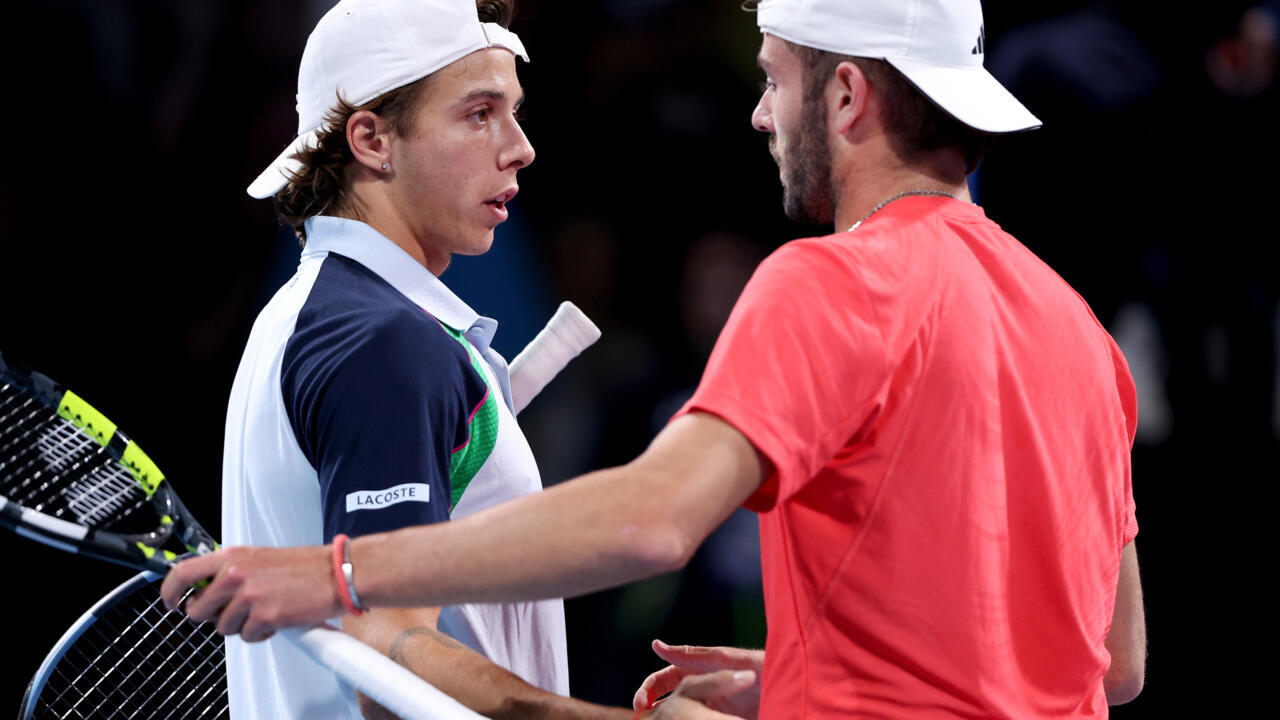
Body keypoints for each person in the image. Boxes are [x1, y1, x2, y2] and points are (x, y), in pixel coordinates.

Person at [167, 0, 1147, 717]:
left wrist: (332, 576)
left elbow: (649, 521)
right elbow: (1108, 662)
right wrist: (810, 678)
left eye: (774, 79)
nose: (761, 114)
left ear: (845, 94)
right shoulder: (1081, 337)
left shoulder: (832, 281)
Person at [213, 0, 633, 717]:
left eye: (515, 111)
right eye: (479, 113)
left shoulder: (304, 316)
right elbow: (388, 664)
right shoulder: (380, 344)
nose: (520, 146)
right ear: (373, 139)